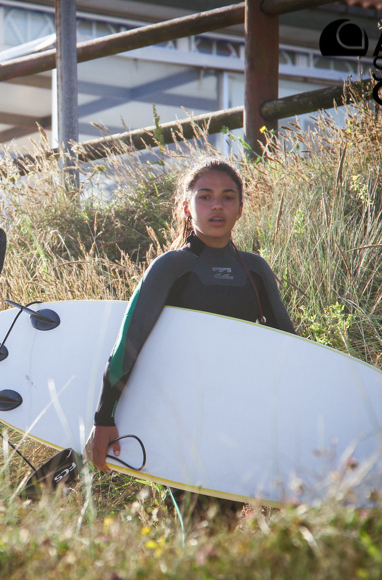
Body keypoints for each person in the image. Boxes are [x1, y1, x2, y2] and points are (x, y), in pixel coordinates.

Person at [85, 158, 296, 518]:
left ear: (241, 208)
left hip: (240, 414)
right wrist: (104, 417)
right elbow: (129, 344)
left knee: (228, 522)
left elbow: (288, 351)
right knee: (197, 522)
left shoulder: (256, 270)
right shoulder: (172, 267)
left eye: (228, 197)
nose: (217, 205)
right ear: (187, 206)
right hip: (181, 416)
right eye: (206, 197)